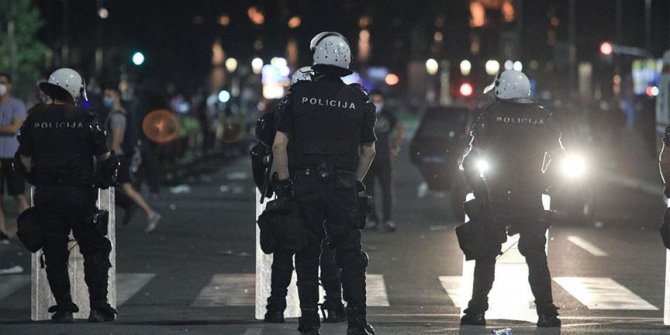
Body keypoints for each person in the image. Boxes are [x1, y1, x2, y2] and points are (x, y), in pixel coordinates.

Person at [271, 32, 376, 335]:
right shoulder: (358, 99)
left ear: (316, 60)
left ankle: (308, 322)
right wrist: (353, 181)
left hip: (306, 184)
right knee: (350, 255)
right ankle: (356, 323)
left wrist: (285, 185)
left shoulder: (299, 96)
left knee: (306, 252)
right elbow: (369, 150)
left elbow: (279, 146)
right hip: (343, 186)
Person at [14, 68, 120, 323]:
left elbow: (24, 161)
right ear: (76, 90)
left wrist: (38, 177)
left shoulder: (34, 117)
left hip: (47, 194)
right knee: (94, 247)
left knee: (54, 252)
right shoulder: (85, 117)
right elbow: (105, 158)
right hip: (79, 193)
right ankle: (98, 307)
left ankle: (63, 308)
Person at [460, 70, 562, 328]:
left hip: (495, 196)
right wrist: (544, 184)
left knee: (486, 254)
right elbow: (560, 158)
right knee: (536, 256)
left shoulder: (491, 115)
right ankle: (547, 313)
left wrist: (480, 189)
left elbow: (470, 160)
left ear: (502, 90)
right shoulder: (543, 116)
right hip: (530, 198)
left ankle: (476, 310)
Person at [260, 66, 346, 324]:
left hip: (290, 186)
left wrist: (283, 186)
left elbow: (273, 146)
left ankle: (276, 308)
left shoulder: (285, 109)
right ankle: (333, 305)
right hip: (322, 187)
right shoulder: (327, 111)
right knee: (326, 249)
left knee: (285, 250)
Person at [103, 86, 161, 233]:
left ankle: (149, 212)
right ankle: (143, 211)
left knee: (125, 188)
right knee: (120, 187)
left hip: (117, 156)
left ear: (116, 95)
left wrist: (111, 155)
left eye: (108, 94)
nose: (106, 97)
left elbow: (117, 138)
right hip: (119, 156)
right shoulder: (118, 113)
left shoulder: (117, 115)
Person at [363, 90, 404, 232]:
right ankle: (372, 220)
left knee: (387, 191)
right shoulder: (364, 114)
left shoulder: (387, 114)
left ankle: (387, 220)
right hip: (368, 159)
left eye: (378, 100)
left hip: (384, 158)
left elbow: (400, 128)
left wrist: (395, 146)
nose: (376, 103)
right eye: (373, 100)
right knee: (369, 192)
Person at [0, 72, 30, 244]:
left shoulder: (17, 104)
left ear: (9, 85)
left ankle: (29, 227)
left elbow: (15, 128)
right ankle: (2, 230)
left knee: (19, 194)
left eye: (3, 82)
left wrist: (8, 127)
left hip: (12, 155)